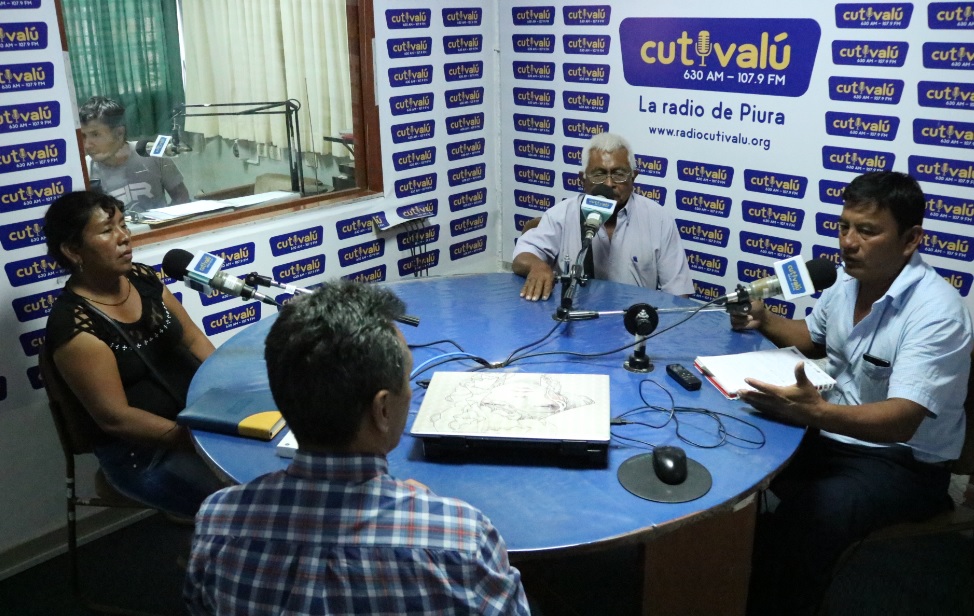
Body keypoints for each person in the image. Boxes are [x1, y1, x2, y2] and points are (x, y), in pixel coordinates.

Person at [184, 281, 530, 615]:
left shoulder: (217, 522)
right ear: (383, 409)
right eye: (407, 381)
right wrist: (426, 514)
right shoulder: (462, 540)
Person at [730, 171, 973, 615]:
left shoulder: (937, 312)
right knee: (741, 450)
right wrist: (764, 320)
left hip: (904, 462)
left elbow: (901, 420)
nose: (848, 242)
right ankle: (737, 568)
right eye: (844, 227)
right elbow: (812, 337)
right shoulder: (846, 281)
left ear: (910, 239)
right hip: (834, 434)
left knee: (815, 516)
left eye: (867, 231)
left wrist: (815, 413)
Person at [44, 191, 225, 517]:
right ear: (73, 250)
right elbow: (116, 418)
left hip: (199, 422)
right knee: (246, 502)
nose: (124, 237)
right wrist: (197, 442)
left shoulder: (142, 279)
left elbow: (194, 339)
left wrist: (229, 391)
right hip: (146, 455)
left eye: (123, 225)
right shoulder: (75, 327)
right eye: (107, 230)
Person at [512, 132, 693, 301]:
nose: (609, 183)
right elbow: (523, 255)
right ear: (583, 180)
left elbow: (678, 294)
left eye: (619, 174)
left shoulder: (659, 220)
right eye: (598, 175)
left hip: (636, 319)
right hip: (576, 314)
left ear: (633, 177)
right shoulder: (561, 215)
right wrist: (538, 266)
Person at [79, 96, 190, 214]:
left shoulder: (152, 154)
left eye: (95, 135)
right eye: (83, 136)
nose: (87, 145)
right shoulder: (84, 171)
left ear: (119, 133)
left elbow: (181, 197)